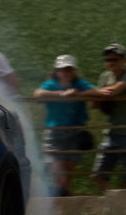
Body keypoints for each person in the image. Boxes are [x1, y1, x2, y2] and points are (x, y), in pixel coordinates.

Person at [34, 55, 96, 195]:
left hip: (74, 133)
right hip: (55, 133)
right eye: (62, 69)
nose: (65, 73)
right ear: (56, 71)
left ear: (73, 71)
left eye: (68, 69)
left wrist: (77, 94)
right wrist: (62, 94)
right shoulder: (51, 85)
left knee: (66, 174)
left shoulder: (79, 84)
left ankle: (65, 204)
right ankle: (69, 201)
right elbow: (38, 93)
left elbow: (95, 91)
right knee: (60, 175)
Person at [88, 44, 126, 188]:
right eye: (108, 59)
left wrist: (99, 92)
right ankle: (113, 201)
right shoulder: (105, 76)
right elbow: (95, 102)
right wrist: (100, 94)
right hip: (110, 131)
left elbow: (114, 90)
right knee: (98, 175)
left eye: (115, 59)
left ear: (124, 61)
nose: (111, 63)